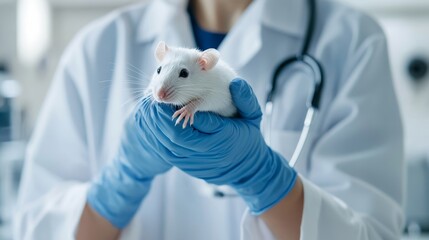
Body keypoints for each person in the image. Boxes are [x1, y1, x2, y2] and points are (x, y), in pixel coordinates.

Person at [14, 0, 404, 239]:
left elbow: (371, 234)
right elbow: (34, 230)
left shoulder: (352, 42)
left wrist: (263, 178)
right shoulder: (98, 45)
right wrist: (120, 182)